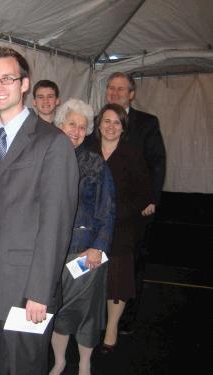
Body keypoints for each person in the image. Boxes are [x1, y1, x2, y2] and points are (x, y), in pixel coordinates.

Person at [0, 47, 79, 375]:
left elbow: (56, 223)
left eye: (8, 78)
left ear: (24, 84)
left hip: (27, 289)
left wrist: (40, 292)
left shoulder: (52, 143)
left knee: (23, 368)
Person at [49, 99, 115, 375]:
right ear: (60, 125)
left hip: (84, 254)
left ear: (88, 131)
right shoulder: (46, 160)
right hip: (52, 255)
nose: (76, 131)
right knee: (58, 311)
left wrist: (98, 247)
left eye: (82, 126)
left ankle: (85, 364)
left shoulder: (96, 164)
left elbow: (108, 210)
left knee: (87, 314)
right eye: (71, 124)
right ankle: (60, 361)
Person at [104, 72, 166, 335]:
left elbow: (157, 162)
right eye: (111, 88)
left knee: (133, 264)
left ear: (131, 94)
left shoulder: (147, 123)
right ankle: (103, 318)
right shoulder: (102, 119)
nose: (116, 93)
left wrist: (151, 198)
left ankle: (126, 319)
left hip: (135, 208)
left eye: (121, 89)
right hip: (105, 212)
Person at [89, 104, 152, 354]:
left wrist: (116, 213)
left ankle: (112, 327)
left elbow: (144, 194)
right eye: (107, 121)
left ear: (123, 128)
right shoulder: (88, 150)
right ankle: (91, 325)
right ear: (99, 124)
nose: (111, 127)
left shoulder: (132, 154)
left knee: (117, 281)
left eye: (117, 122)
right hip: (91, 231)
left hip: (121, 229)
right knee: (90, 279)